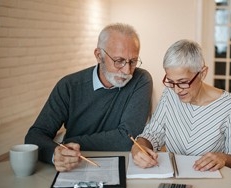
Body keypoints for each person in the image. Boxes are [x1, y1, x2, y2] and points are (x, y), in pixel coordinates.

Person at [25, 23, 153, 172]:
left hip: (123, 165)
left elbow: (127, 138)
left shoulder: (141, 79)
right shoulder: (69, 86)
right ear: (99, 56)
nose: (127, 70)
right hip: (76, 166)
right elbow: (34, 136)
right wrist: (56, 154)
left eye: (133, 61)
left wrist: (69, 142)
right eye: (119, 61)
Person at [130, 39, 231, 172]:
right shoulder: (169, 94)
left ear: (202, 73)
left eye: (183, 82)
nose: (177, 90)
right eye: (170, 81)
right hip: (173, 176)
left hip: (209, 179)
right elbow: (153, 133)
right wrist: (138, 146)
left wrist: (223, 158)